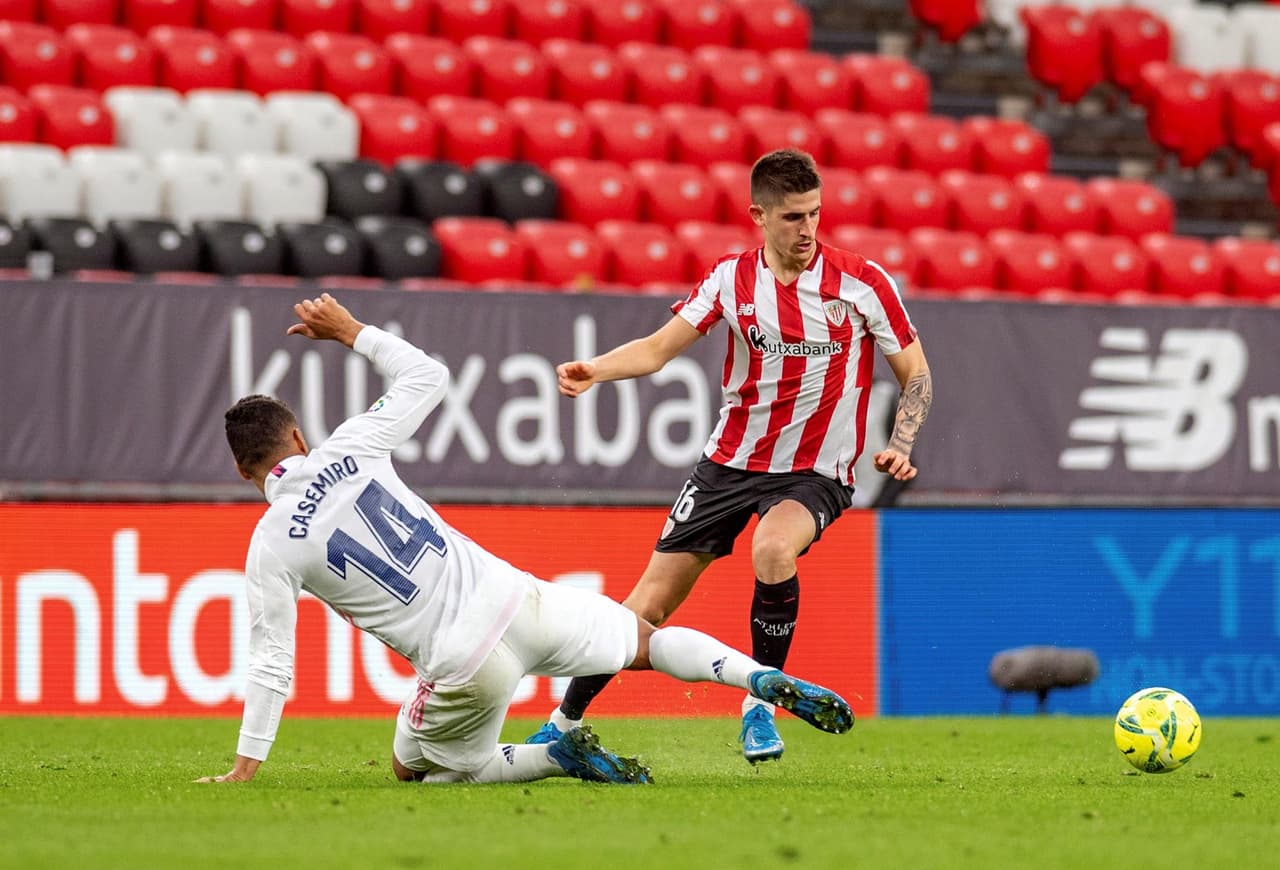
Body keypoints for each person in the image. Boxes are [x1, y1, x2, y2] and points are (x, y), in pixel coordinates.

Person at [197, 292, 854, 787]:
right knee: (642, 642)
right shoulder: (352, 446)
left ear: (243, 470)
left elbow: (271, 662)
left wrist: (245, 769)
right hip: (519, 596)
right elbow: (428, 377)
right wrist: (351, 332)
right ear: (299, 440)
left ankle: (552, 755)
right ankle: (759, 675)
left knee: (413, 768)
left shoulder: (271, 544)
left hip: (460, 660)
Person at [528, 149, 932, 764]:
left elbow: (916, 374)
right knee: (644, 609)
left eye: (816, 214)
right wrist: (597, 370)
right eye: (793, 217)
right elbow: (660, 349)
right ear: (759, 215)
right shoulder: (729, 279)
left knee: (771, 550)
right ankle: (562, 723)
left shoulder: (862, 282)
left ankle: (759, 708)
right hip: (729, 464)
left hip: (816, 470)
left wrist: (901, 443)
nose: (808, 230)